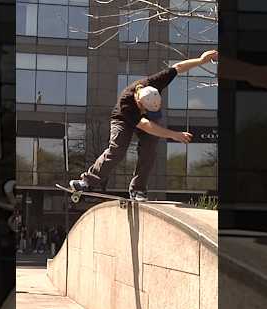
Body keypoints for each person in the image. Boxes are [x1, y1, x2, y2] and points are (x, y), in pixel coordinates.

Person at [69, 50, 218, 201]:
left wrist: (200, 60)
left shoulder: (154, 82)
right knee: (117, 149)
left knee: (149, 150)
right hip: (122, 119)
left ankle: (138, 189)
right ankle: (87, 181)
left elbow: (178, 67)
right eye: (145, 109)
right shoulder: (126, 102)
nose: (145, 111)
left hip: (147, 119)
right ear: (139, 102)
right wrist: (174, 135)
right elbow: (146, 125)